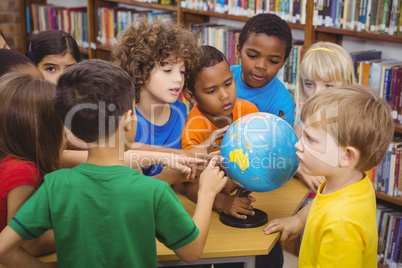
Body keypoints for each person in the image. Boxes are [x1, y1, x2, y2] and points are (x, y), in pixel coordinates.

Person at [0, 59, 228, 267]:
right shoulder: (153, 192)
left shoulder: (54, 185)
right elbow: (191, 252)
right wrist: (207, 192)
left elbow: (4, 251)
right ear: (129, 122)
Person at [264, 85, 394, 267]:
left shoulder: (342, 225)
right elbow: (323, 203)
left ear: (347, 156)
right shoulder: (352, 183)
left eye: (310, 139)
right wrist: (299, 219)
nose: (298, 145)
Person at [111, 21, 204, 183]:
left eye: (182, 71)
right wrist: (175, 176)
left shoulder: (180, 110)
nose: (178, 79)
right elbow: (134, 188)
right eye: (167, 70)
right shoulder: (126, 119)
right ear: (139, 72)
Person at [181, 45, 259, 221]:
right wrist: (223, 203)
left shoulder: (249, 111)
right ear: (191, 96)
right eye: (212, 91)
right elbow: (190, 186)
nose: (225, 95)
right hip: (216, 200)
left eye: (228, 84)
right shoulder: (193, 129)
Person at [0, 72, 66, 256]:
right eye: (63, 124)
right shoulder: (23, 172)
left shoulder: (14, 160)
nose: (67, 134)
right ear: (46, 131)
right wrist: (83, 226)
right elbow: (28, 244)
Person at [294, 41, 357, 193]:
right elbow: (290, 156)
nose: (317, 94)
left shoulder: (353, 124)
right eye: (309, 84)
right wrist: (300, 171)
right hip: (304, 194)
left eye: (328, 86)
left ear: (346, 84)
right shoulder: (298, 116)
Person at [231, 13, 295, 127]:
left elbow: (277, 142)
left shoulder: (283, 104)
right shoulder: (223, 78)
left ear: (283, 63)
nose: (261, 66)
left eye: (273, 61)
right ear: (239, 50)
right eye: (252, 55)